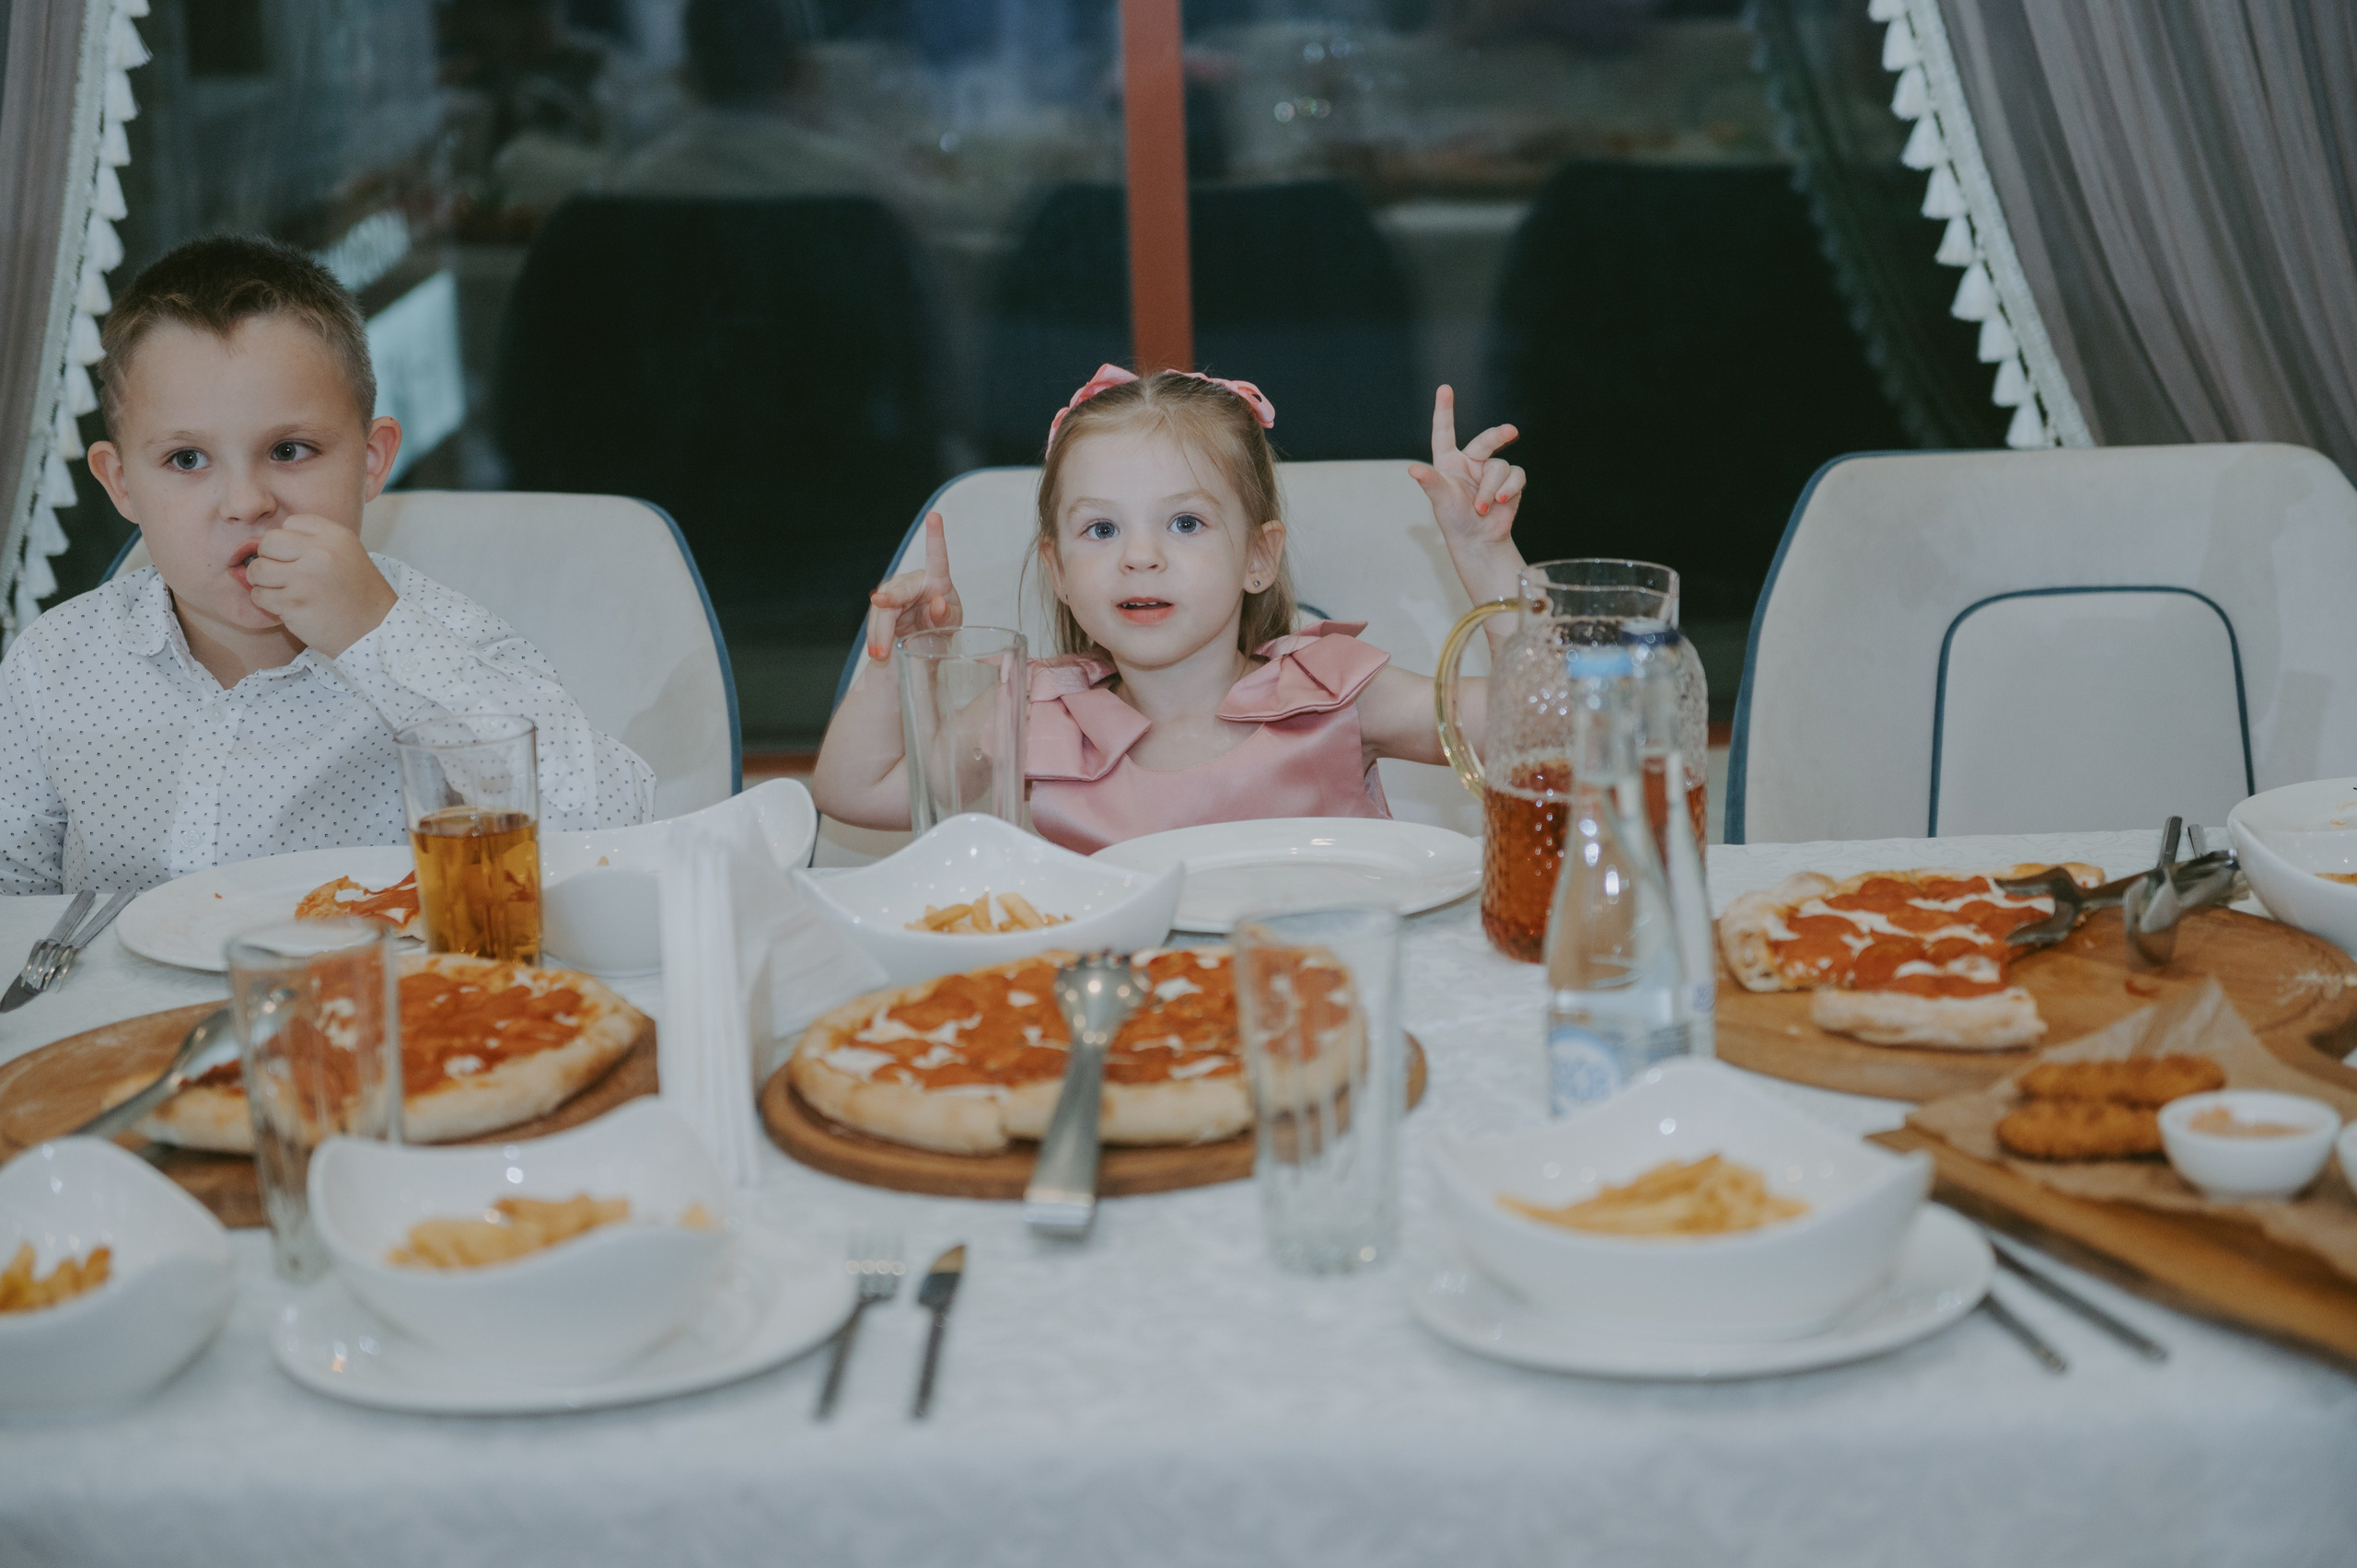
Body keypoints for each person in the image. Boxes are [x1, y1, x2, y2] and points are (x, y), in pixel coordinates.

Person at [0, 235, 656, 895]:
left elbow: (613, 825)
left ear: (371, 461)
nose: (247, 503)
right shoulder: (51, 668)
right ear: (121, 484)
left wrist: (377, 633)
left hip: (365, 993)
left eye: (289, 449)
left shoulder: (438, 640)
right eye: (187, 460)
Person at [813, 364, 1527, 852]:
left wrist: (1488, 557)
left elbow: (1533, 733)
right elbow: (855, 790)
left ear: (1259, 557)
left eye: (1185, 523)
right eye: (1101, 529)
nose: (1140, 556)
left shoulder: (1330, 694)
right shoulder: (1033, 716)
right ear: (1058, 572)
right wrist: (891, 663)